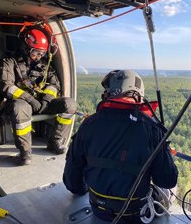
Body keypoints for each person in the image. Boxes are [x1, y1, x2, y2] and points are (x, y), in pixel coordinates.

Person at [63, 70, 178, 223]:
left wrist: (80, 189)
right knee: (169, 190)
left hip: (99, 210)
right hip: (136, 214)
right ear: (138, 93)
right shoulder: (152, 128)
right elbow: (167, 180)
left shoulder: (89, 125)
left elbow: (72, 177)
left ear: (112, 91)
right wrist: (165, 152)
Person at [0, 27, 77, 166]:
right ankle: (25, 152)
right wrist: (30, 99)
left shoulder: (45, 65)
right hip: (21, 103)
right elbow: (7, 87)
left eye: (42, 53)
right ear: (26, 47)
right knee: (20, 107)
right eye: (36, 52)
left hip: (43, 103)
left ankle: (55, 142)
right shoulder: (10, 62)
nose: (39, 56)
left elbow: (55, 84)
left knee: (70, 104)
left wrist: (47, 99)